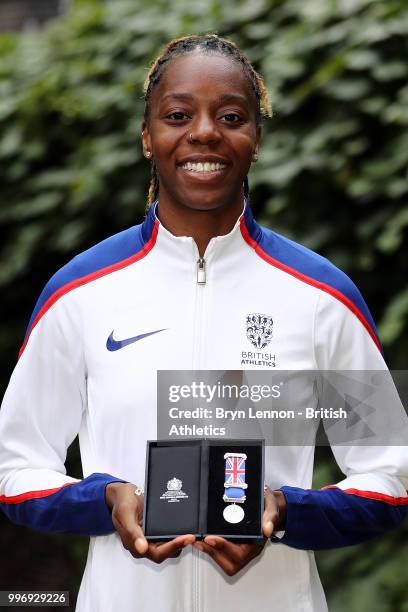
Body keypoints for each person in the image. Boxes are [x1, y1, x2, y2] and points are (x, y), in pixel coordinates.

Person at [0, 33, 407, 612]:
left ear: (256, 139)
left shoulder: (321, 295)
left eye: (232, 115)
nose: (205, 132)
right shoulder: (79, 292)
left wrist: (285, 512)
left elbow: (391, 475)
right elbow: (14, 463)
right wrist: (105, 499)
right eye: (178, 114)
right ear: (148, 136)